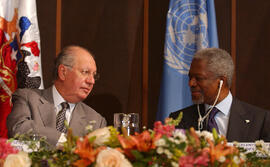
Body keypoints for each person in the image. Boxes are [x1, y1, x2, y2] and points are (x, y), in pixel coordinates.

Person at [7, 45, 107, 146]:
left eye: (94, 75)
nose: (92, 81)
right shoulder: (28, 98)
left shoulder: (96, 121)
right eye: (85, 72)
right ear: (63, 72)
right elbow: (18, 127)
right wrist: (62, 140)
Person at [170, 48, 270, 142]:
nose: (191, 83)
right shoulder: (178, 120)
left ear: (221, 82)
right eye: (190, 77)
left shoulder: (260, 120)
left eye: (199, 78)